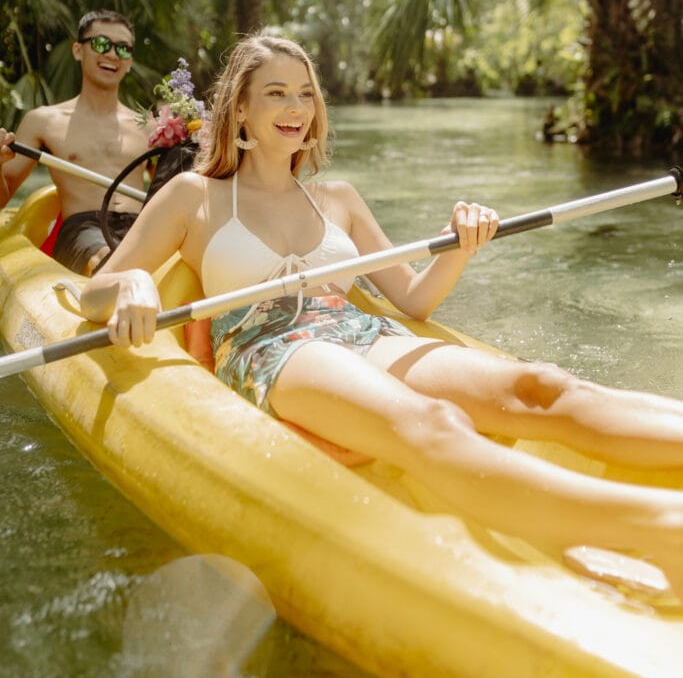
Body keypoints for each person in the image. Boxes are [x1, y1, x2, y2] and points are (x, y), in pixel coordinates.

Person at [79, 33, 683, 599]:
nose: (296, 107)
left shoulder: (337, 198)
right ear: (239, 110)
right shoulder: (193, 197)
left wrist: (457, 243)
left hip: (362, 331)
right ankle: (657, 529)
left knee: (542, 386)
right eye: (276, 93)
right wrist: (132, 283)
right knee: (433, 423)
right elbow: (94, 294)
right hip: (274, 345)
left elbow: (413, 301)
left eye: (306, 93)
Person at [0, 9, 155, 275]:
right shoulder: (44, 121)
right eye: (100, 44)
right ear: (77, 50)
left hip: (140, 228)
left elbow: (174, 187)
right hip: (83, 230)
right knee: (108, 263)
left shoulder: (150, 126)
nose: (112, 54)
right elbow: (4, 197)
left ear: (130, 62)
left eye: (123, 48)